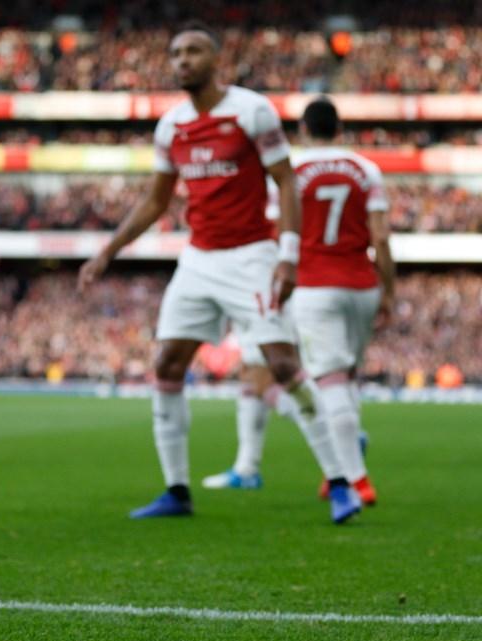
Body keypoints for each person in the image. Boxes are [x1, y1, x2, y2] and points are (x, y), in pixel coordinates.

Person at [78, 23, 360, 524]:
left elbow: (287, 183)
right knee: (166, 365)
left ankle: (342, 483)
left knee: (283, 366)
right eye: (176, 53)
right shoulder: (172, 127)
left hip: (252, 256)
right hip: (198, 259)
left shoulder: (251, 111)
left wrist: (289, 255)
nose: (182, 60)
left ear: (216, 59)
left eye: (193, 51)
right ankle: (177, 491)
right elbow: (156, 200)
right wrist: (108, 251)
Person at [203, 97, 394, 506]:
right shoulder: (366, 169)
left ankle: (353, 479)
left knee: (322, 380)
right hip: (362, 285)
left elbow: (276, 234)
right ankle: (314, 461)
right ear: (340, 130)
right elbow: (380, 237)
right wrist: (389, 291)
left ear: (303, 132)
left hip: (311, 285)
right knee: (344, 376)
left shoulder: (292, 175)